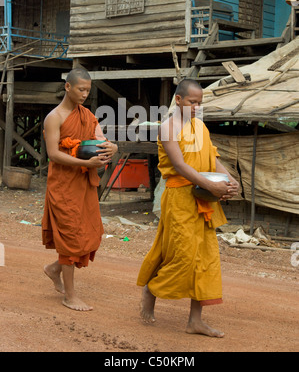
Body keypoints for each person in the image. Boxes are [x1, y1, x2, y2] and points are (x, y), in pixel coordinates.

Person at [137, 79, 239, 337]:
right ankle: (152, 289)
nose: (196, 107)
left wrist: (228, 180)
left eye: (200, 103)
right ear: (179, 100)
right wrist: (212, 187)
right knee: (182, 255)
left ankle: (195, 321)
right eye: (192, 102)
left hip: (203, 198)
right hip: (180, 198)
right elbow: (181, 166)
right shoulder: (168, 127)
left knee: (205, 259)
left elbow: (212, 158)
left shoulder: (200, 127)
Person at [42, 68, 118, 311]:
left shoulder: (87, 115)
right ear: (68, 87)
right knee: (70, 236)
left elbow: (100, 140)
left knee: (89, 231)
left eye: (88, 90)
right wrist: (86, 163)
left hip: (85, 183)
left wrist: (112, 147)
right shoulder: (54, 117)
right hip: (63, 184)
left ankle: (54, 269)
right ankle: (70, 296)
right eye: (80, 89)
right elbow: (53, 154)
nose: (85, 94)